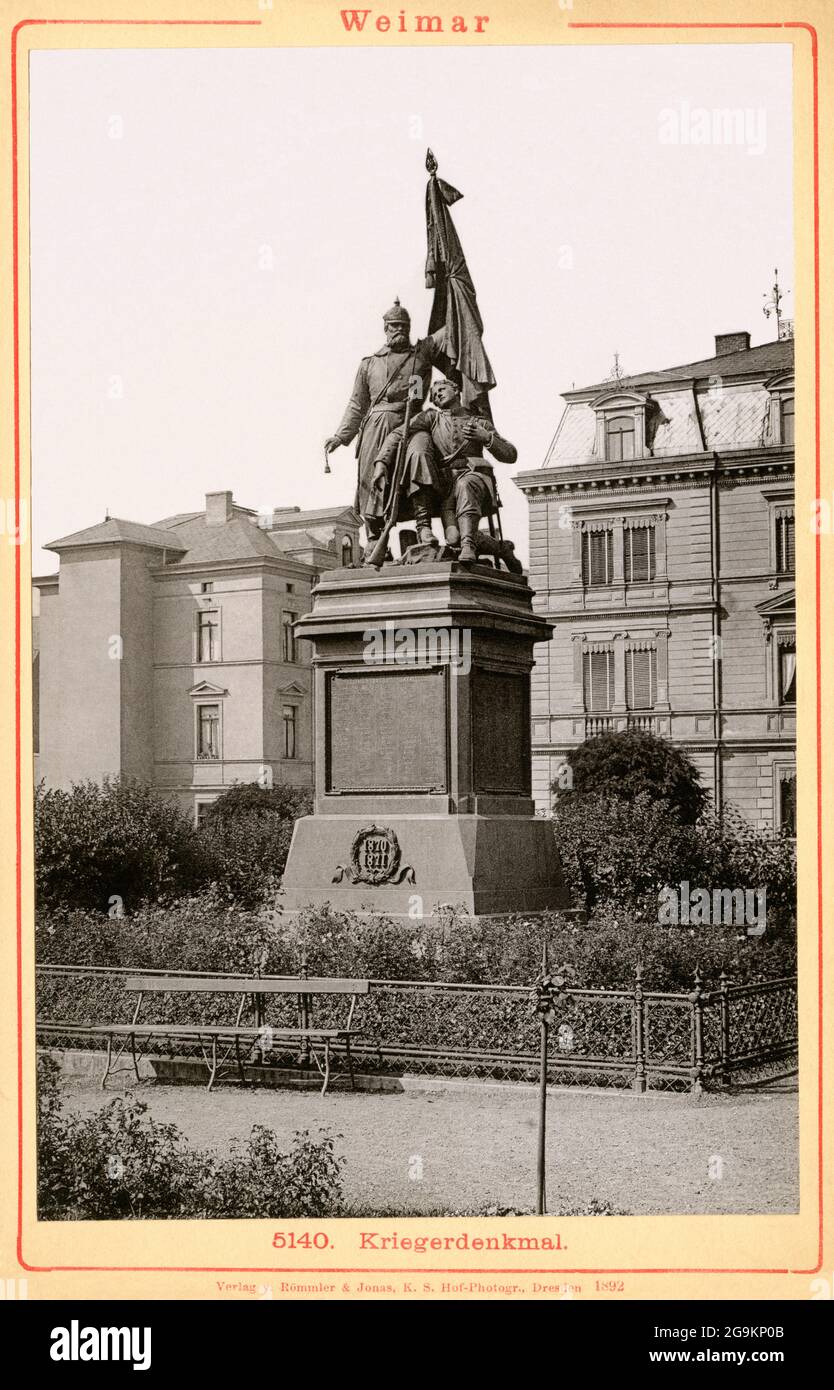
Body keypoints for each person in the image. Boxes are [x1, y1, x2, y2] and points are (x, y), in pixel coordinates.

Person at [324, 300, 449, 545]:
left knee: (420, 456)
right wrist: (340, 436)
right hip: (377, 424)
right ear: (385, 328)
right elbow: (357, 404)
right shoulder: (369, 363)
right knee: (371, 473)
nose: (399, 329)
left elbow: (450, 329)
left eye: (404, 325)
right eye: (394, 325)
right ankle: (374, 536)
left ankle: (423, 526)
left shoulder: (421, 355)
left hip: (413, 421)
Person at [372, 378, 523, 569]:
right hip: (447, 486)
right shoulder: (432, 418)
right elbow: (398, 434)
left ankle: (469, 545)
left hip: (474, 477)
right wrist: (381, 462)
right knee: (454, 538)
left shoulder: (479, 422)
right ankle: (502, 549)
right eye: (434, 395)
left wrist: (486, 438)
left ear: (457, 390)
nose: (438, 395)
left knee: (465, 485)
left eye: (442, 389)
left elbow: (510, 455)